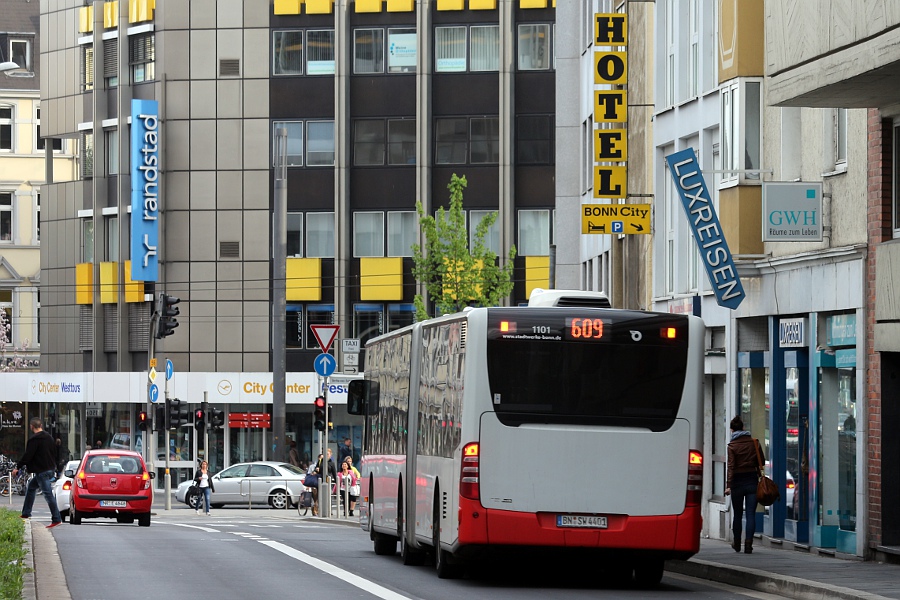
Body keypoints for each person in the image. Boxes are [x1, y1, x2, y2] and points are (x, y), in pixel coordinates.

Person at [14, 418, 63, 528]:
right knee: (31, 487)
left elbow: (28, 455)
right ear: (41, 425)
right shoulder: (49, 438)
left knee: (48, 494)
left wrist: (18, 467)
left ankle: (56, 518)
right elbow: (55, 452)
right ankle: (26, 513)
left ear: (31, 426)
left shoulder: (34, 440)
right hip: (50, 469)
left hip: (42, 471)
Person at [725, 416, 763, 554]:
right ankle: (748, 544)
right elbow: (762, 462)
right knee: (751, 514)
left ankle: (736, 543)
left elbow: (731, 467)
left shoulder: (732, 446)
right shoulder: (754, 442)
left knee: (738, 514)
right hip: (752, 480)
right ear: (743, 428)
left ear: (732, 430)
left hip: (737, 482)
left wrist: (728, 484)